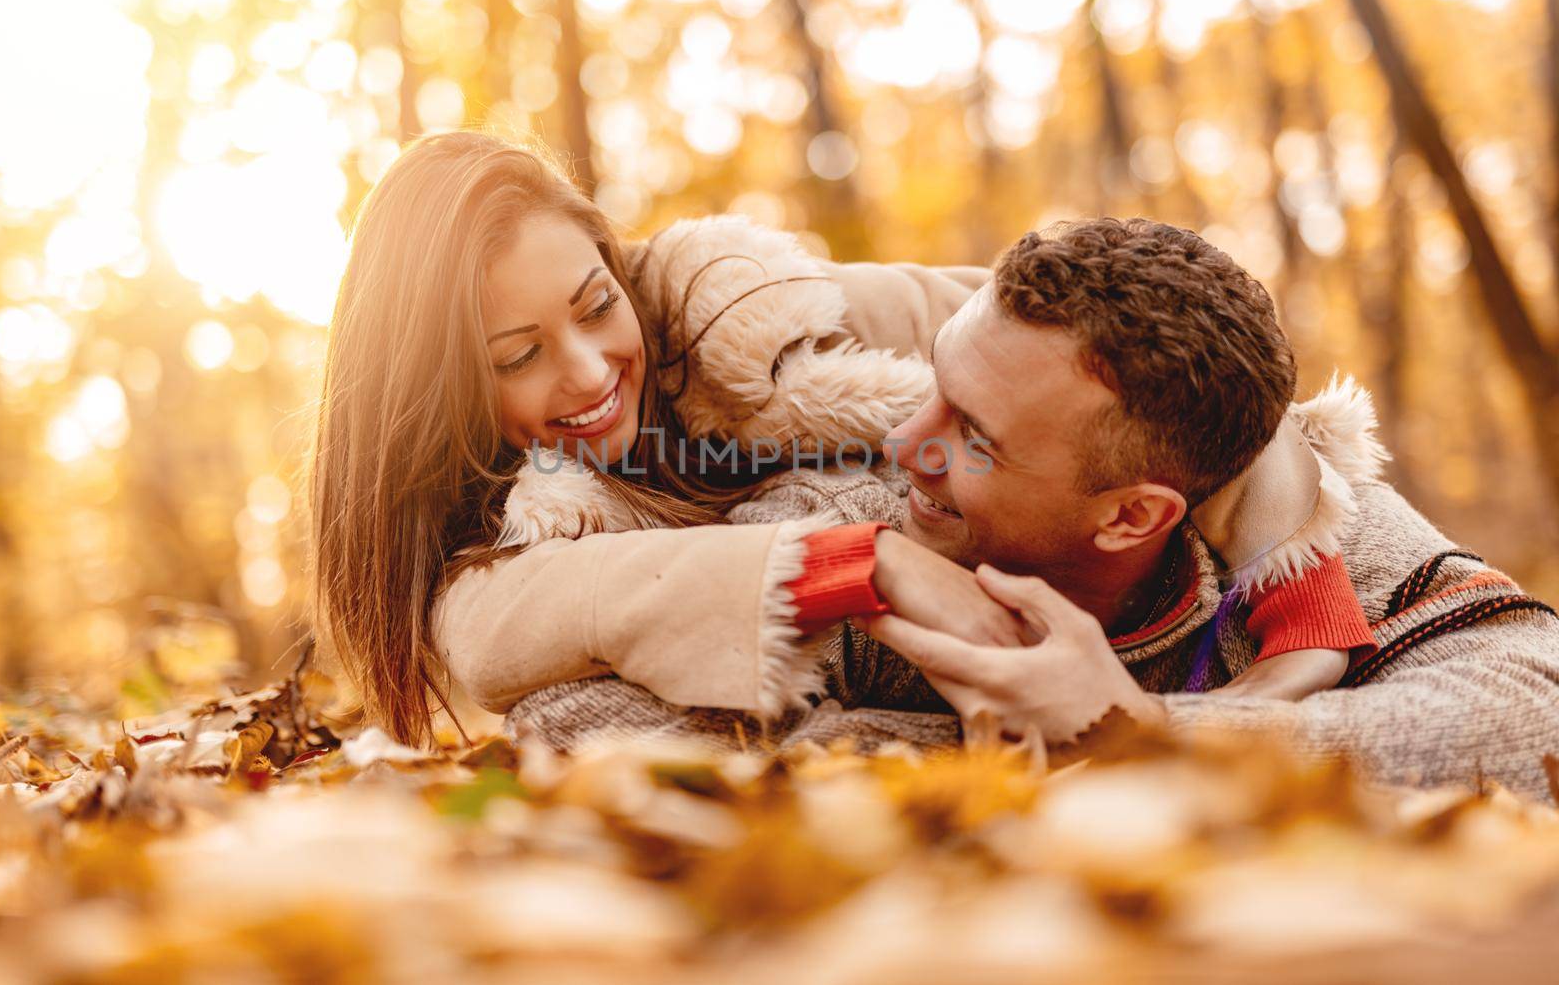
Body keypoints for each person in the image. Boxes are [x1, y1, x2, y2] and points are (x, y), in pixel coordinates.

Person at [308, 130, 1368, 748]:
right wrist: (872, 565)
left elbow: (1177, 370)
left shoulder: (759, 320)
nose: (588, 373)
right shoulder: (497, 541)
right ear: (436, 387)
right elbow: (499, 633)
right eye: (513, 356)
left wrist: (1301, 617)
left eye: (595, 303)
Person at [846, 219, 1559, 797]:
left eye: (975, 436)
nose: (903, 441)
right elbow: (740, 738)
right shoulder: (851, 515)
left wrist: (1140, 734)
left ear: (1132, 516)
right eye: (936, 379)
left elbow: (1538, 712)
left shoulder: (1317, 531)